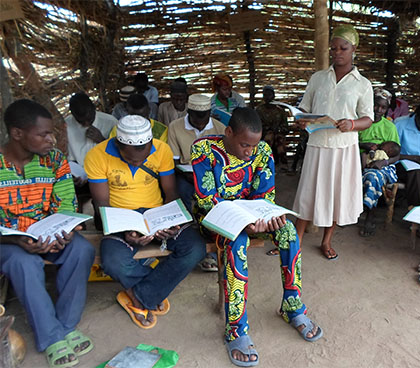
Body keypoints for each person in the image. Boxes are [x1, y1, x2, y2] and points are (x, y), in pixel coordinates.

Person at [191, 107, 322, 367]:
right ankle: (236, 329)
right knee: (236, 241)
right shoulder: (203, 149)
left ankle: (292, 306)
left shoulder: (261, 151)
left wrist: (263, 217)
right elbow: (207, 200)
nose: (250, 151)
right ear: (228, 132)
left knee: (289, 233)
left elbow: (265, 195)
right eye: (243, 145)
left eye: (254, 145)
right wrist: (244, 223)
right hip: (215, 217)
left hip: (251, 217)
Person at [85, 115, 206, 329]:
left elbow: (170, 192)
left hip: (156, 213)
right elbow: (102, 205)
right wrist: (126, 232)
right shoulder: (97, 156)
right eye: (132, 160)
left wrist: (170, 222)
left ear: (151, 144)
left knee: (195, 248)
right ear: (118, 146)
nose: (139, 162)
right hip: (120, 217)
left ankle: (138, 295)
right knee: (113, 261)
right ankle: (151, 292)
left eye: (144, 157)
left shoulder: (161, 149)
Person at [0, 99, 95, 368]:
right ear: (17, 134)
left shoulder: (54, 160)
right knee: (24, 261)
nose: (52, 140)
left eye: (52, 133)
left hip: (47, 233)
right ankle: (51, 337)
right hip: (7, 240)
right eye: (43, 134)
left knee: (81, 249)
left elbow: (66, 204)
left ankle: (65, 326)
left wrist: (61, 231)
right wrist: (16, 239)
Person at [292, 25, 374, 261]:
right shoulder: (318, 78)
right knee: (308, 192)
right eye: (334, 48)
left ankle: (326, 241)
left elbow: (368, 118)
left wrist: (352, 124)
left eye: (343, 48)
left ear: (354, 49)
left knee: (338, 194)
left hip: (343, 147)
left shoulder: (362, 84)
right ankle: (296, 241)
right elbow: (304, 109)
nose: (337, 52)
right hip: (317, 143)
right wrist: (302, 121)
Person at [168, 94, 225, 272]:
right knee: (181, 192)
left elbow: (224, 162)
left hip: (212, 176)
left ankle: (213, 249)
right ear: (189, 112)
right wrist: (187, 174)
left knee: (216, 200)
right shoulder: (175, 127)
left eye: (204, 118)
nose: (201, 124)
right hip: (185, 175)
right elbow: (174, 161)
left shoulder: (220, 128)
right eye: (196, 119)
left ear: (210, 113)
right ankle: (184, 238)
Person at [358, 87, 400, 237]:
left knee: (372, 177)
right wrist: (364, 146)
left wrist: (382, 163)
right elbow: (350, 144)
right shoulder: (360, 123)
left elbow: (396, 155)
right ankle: (347, 212)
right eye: (376, 105)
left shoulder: (389, 127)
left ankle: (370, 214)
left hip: (383, 165)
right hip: (358, 160)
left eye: (383, 107)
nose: (378, 110)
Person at [65, 93, 118, 206]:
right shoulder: (67, 125)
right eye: (80, 121)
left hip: (106, 174)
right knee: (68, 194)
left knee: (104, 204)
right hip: (81, 176)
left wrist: (102, 140)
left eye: (88, 119)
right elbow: (68, 157)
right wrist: (74, 175)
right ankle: (79, 222)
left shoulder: (110, 122)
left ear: (93, 108)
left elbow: (120, 154)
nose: (85, 124)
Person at [255, 85, 289, 166]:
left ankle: (283, 163)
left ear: (273, 96)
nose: (267, 97)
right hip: (264, 134)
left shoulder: (280, 110)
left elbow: (286, 127)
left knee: (279, 139)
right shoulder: (259, 110)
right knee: (269, 138)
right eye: (265, 95)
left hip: (278, 133)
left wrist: (279, 129)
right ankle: (265, 162)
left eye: (269, 95)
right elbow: (257, 126)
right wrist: (268, 129)